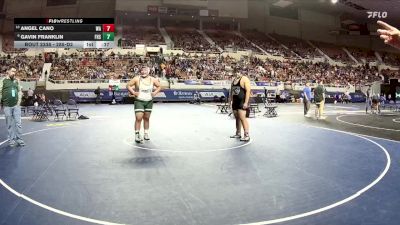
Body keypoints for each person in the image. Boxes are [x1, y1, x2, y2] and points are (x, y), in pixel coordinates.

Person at [127, 66, 161, 143]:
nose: (143, 72)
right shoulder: (136, 78)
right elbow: (128, 85)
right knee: (138, 118)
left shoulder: (153, 79)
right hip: (139, 101)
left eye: (145, 70)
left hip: (149, 101)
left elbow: (159, 86)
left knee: (146, 118)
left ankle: (146, 133)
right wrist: (133, 92)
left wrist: (155, 92)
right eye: (142, 70)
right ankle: (137, 135)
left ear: (149, 71)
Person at [0, 68, 25, 147]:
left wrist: (19, 102)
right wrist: (1, 103)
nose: (14, 73)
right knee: (9, 124)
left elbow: (19, 91)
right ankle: (11, 140)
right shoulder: (3, 81)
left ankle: (19, 139)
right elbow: (0, 91)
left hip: (16, 106)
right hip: (7, 106)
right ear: (8, 71)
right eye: (12, 71)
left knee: (18, 123)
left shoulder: (16, 81)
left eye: (15, 71)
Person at [229, 68, 251, 142]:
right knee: (237, 118)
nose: (237, 73)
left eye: (238, 72)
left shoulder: (244, 79)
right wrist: (230, 102)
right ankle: (238, 133)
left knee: (242, 118)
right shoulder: (233, 80)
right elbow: (231, 92)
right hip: (235, 102)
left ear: (241, 72)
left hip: (242, 101)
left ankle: (246, 135)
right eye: (235, 72)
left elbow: (248, 91)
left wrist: (246, 102)